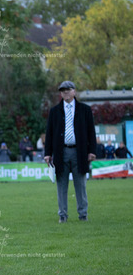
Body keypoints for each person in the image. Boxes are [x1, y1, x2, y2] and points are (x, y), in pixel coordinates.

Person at [44, 81, 96, 223]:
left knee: (81, 186)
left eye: (68, 89)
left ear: (74, 91)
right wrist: (47, 153)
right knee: (61, 186)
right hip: (61, 152)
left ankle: (83, 214)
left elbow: (91, 132)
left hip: (80, 152)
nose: (65, 92)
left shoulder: (85, 110)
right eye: (63, 90)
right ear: (60, 93)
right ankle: (63, 215)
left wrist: (92, 151)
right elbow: (49, 134)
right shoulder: (54, 111)